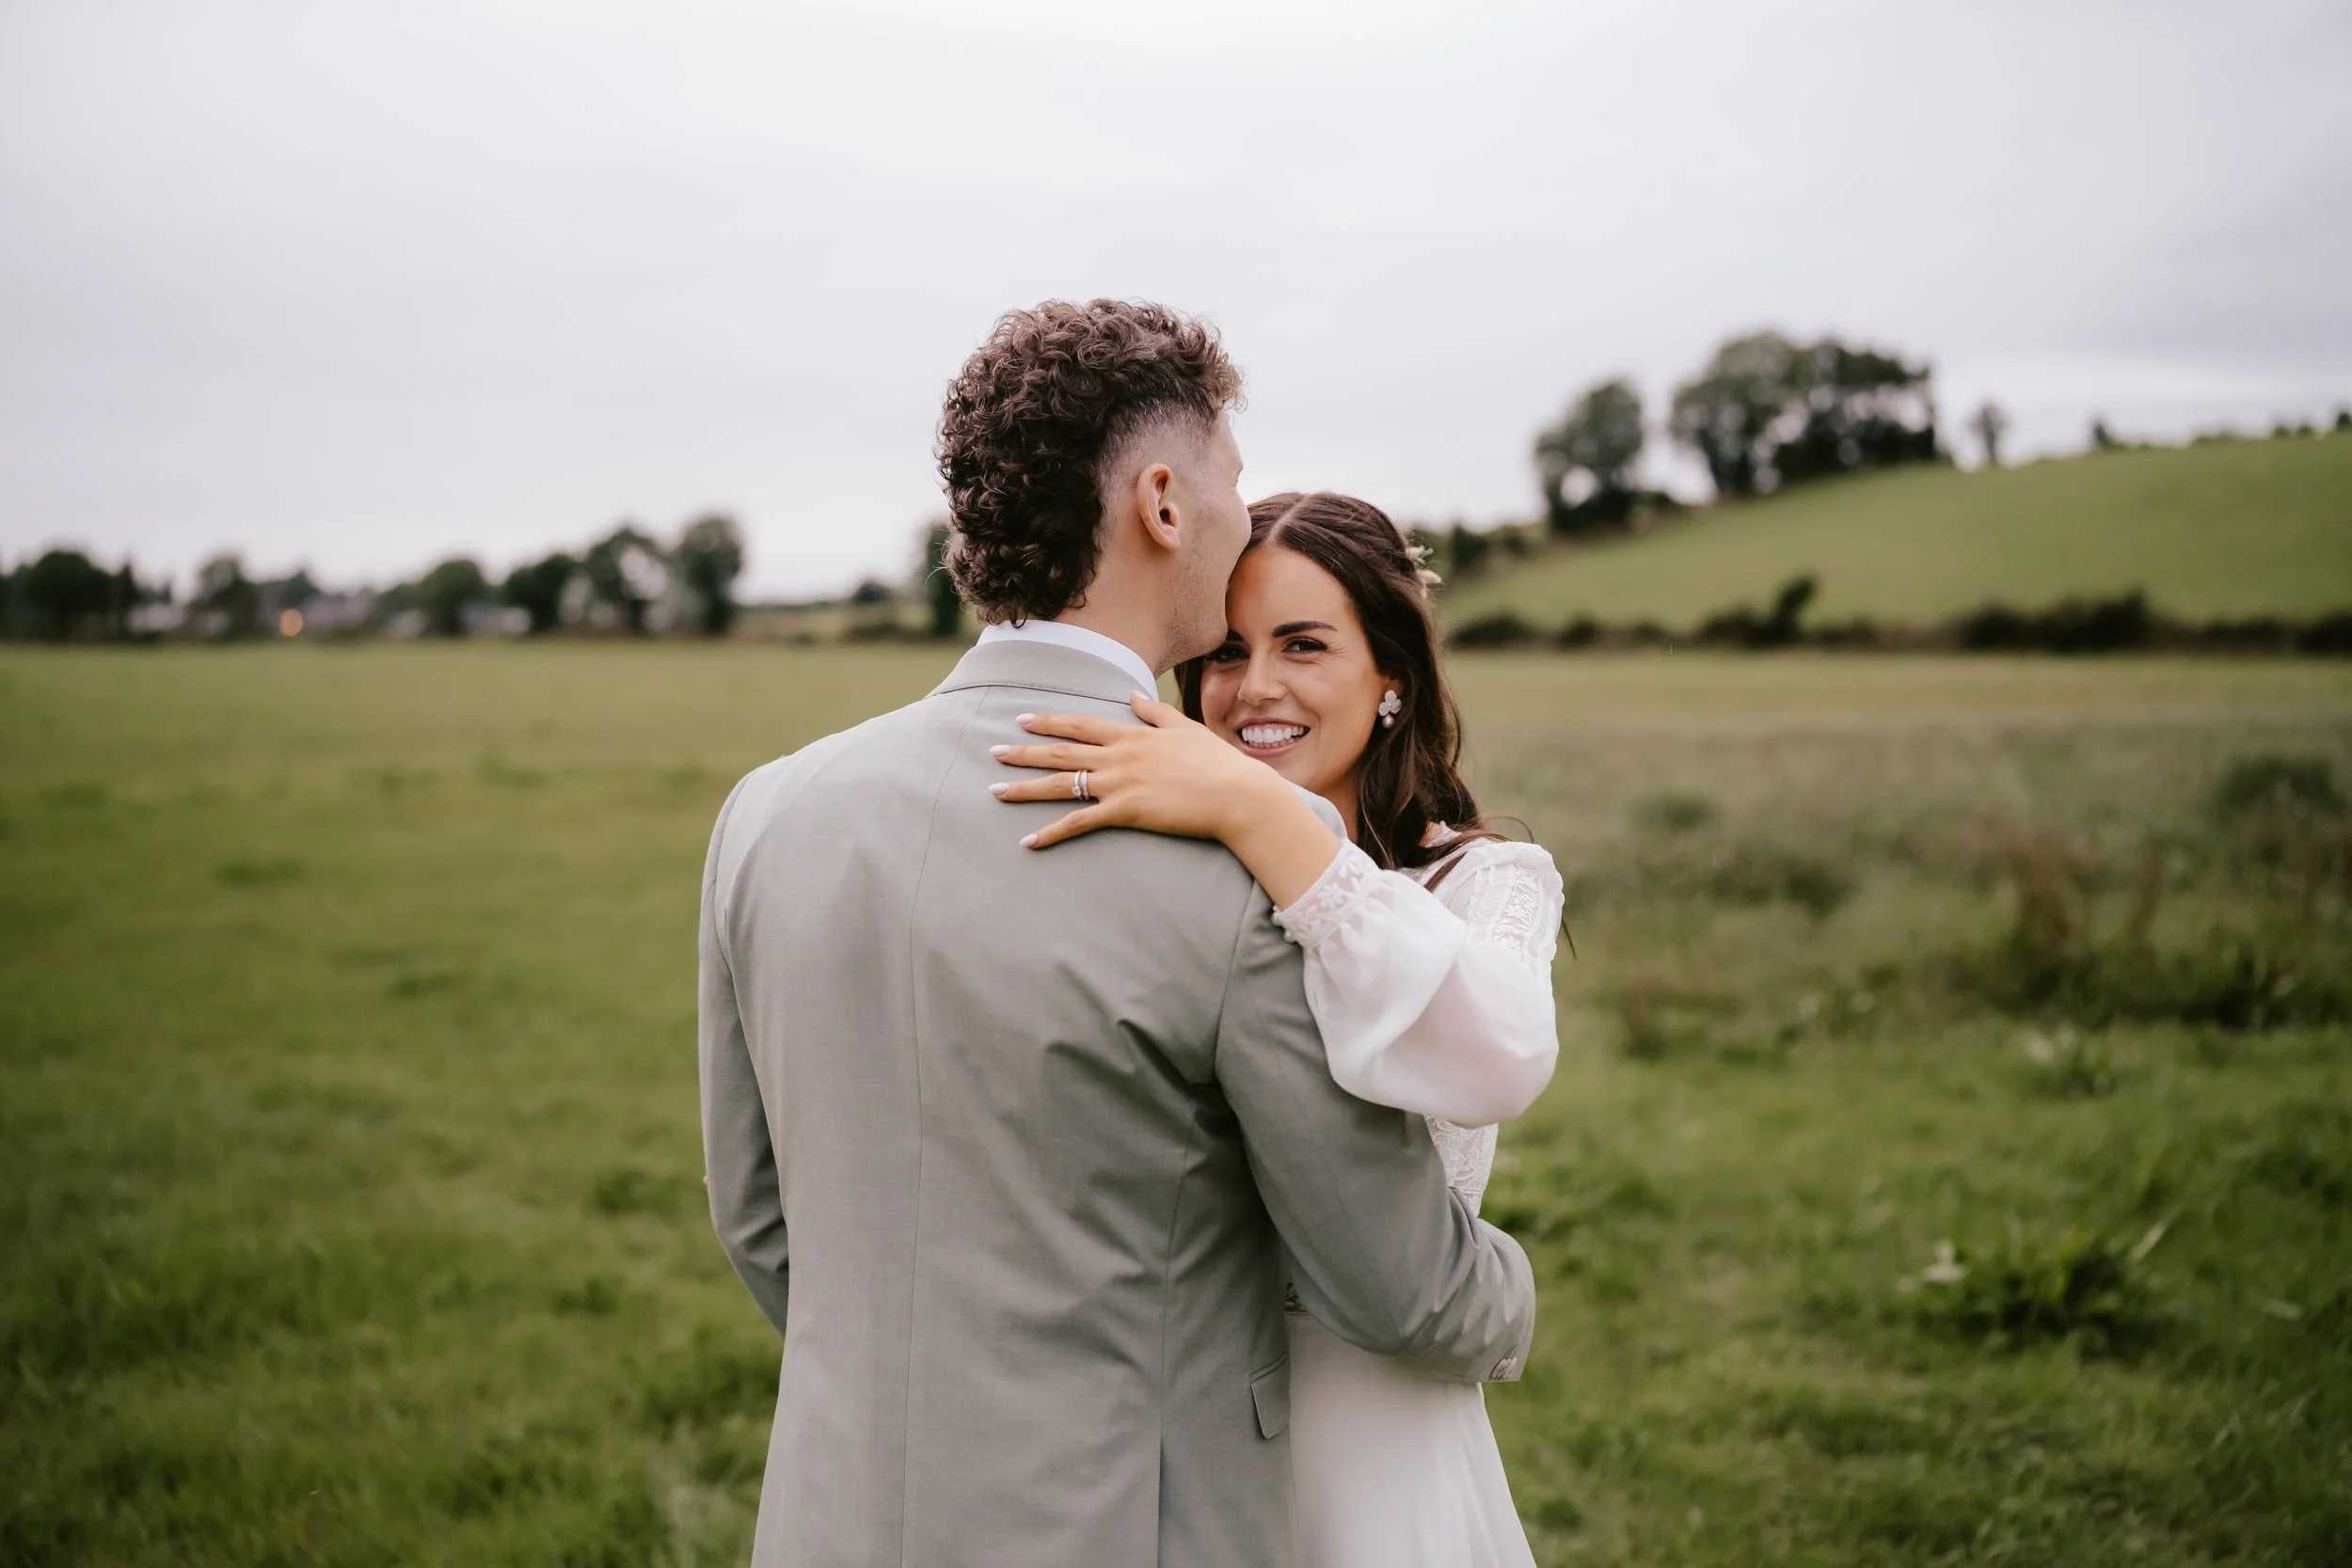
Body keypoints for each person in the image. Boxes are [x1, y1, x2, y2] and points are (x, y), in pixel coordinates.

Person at [698, 300, 1535, 1567]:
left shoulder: (768, 812)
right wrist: (1520, 1297)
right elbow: (1401, 1286)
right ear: (1161, 501)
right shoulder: (1233, 862)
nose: (1244, 516)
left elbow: (763, 1223)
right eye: (1233, 484)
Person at [989, 490, 1563, 1567]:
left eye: (1303, 644)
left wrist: (1265, 817)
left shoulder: (1484, 880)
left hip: (1381, 1436)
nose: (1254, 688)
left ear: (1390, 673)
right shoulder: (1165, 874)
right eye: (1224, 651)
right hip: (1171, 1429)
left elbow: (1498, 1056)